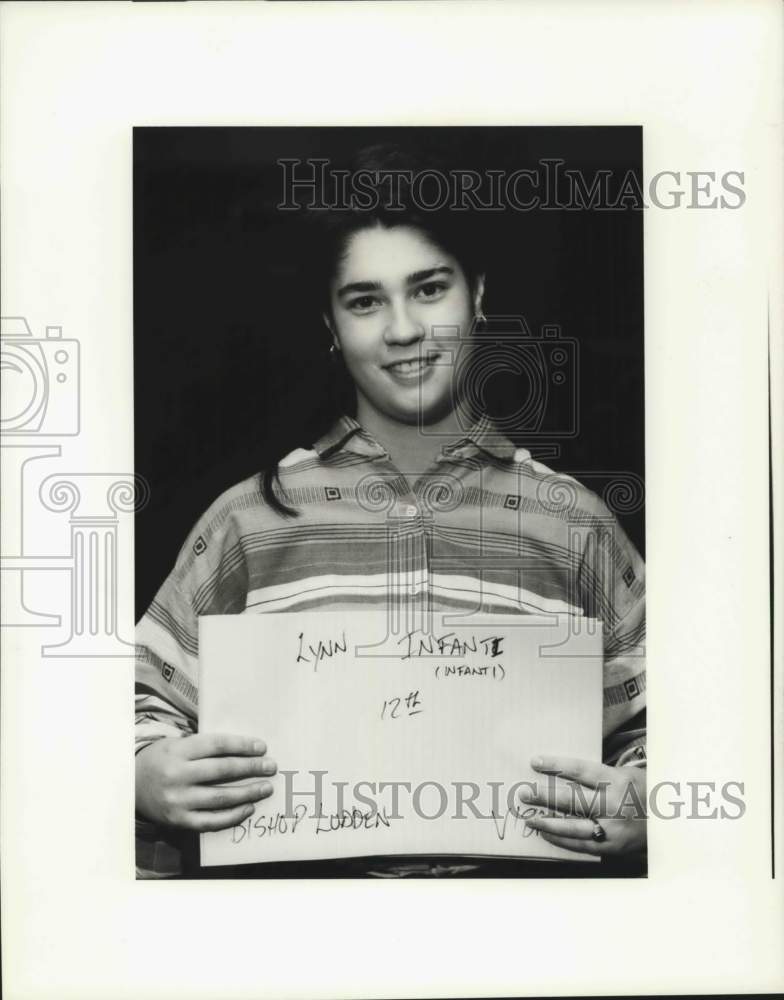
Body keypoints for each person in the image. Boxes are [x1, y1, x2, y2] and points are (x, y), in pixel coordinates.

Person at [135, 144, 647, 877]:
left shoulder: (573, 521)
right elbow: (133, 701)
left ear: (476, 295)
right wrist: (146, 776)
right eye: (366, 300)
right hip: (296, 964)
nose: (403, 329)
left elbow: (673, 726)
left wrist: (646, 803)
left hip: (527, 957)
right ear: (331, 325)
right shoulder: (247, 519)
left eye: (429, 289)